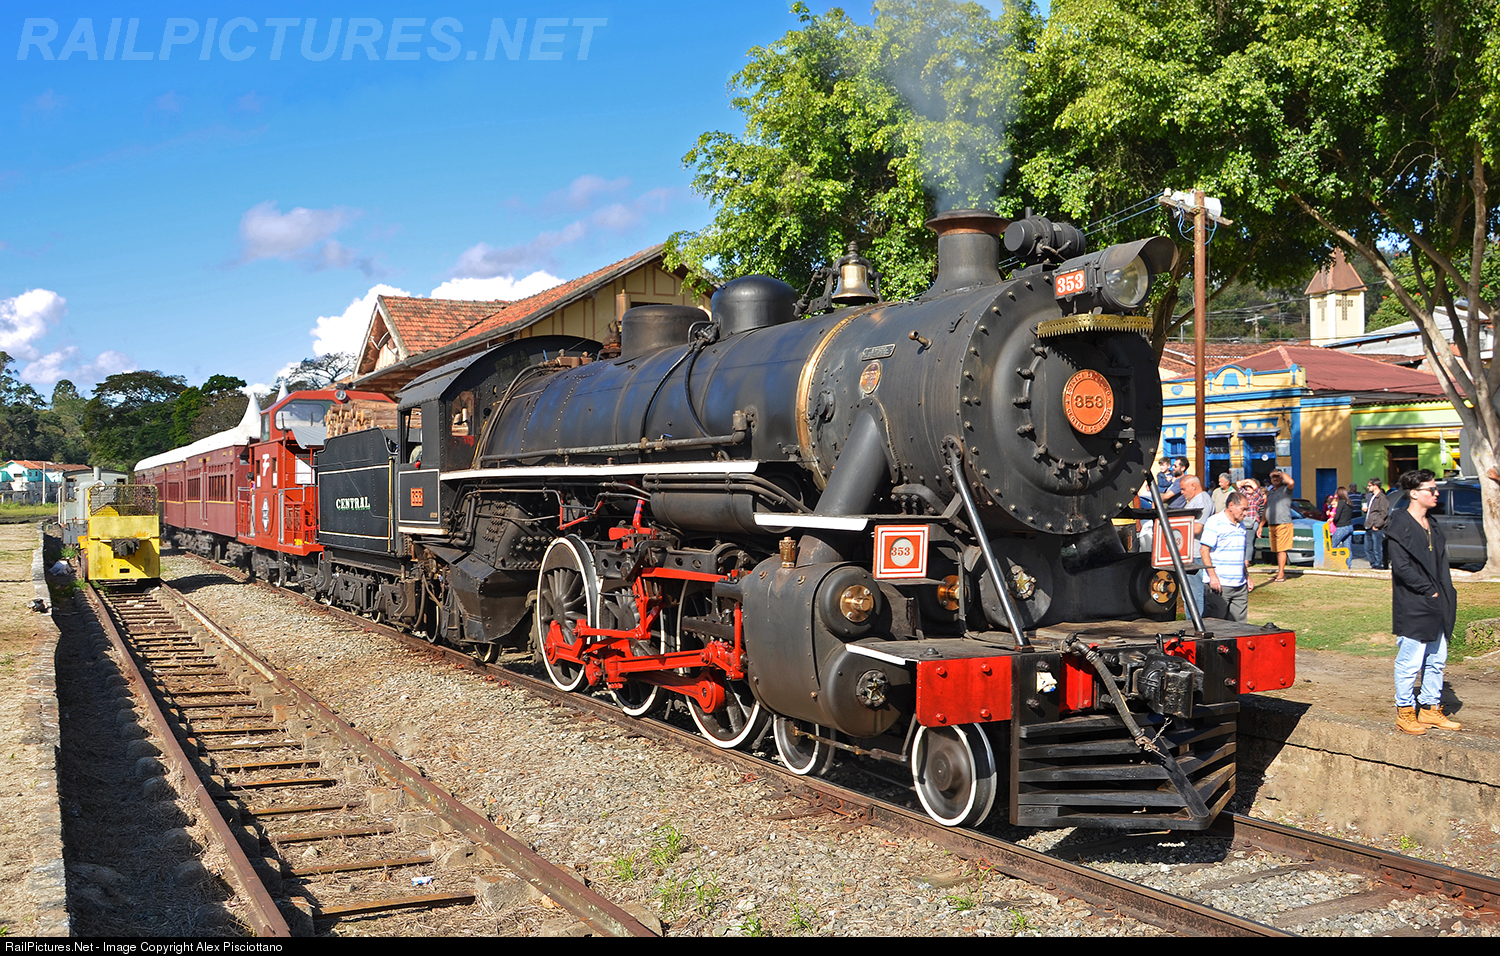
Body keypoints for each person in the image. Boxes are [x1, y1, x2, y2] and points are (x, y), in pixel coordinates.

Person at [1386, 469, 1461, 735]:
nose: (1436, 493)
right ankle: (1405, 712)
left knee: (1437, 658)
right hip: (1414, 602)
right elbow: (1401, 567)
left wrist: (1444, 593)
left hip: (1438, 600)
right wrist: (1428, 590)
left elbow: (1440, 564)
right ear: (1414, 493)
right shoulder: (1399, 524)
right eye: (1431, 489)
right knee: (1410, 660)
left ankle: (1429, 708)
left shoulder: (1433, 524)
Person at [1201, 492, 1254, 621]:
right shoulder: (1214, 522)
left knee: (1240, 626)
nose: (1245, 513)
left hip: (1240, 586)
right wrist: (1213, 577)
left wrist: (1246, 575)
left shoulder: (1241, 525)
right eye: (1243, 509)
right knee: (1215, 625)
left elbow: (1240, 554)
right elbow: (1204, 550)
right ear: (1231, 506)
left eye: (1247, 509)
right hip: (1219, 585)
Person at [1177, 475, 1214, 618]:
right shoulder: (1195, 501)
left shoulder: (1202, 500)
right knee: (1188, 594)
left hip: (1195, 555)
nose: (1181, 492)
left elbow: (1198, 528)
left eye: (1183, 489)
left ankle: (1195, 624)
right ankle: (1192, 622)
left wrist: (1174, 530)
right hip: (1189, 553)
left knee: (1194, 594)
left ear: (1193, 486)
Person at [1265, 469, 1296, 582]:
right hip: (1272, 524)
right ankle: (1279, 572)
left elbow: (1291, 482)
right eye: (1273, 477)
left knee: (1282, 550)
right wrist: (1261, 525)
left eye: (1277, 477)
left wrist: (1280, 473)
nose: (1275, 479)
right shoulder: (1270, 492)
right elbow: (1266, 509)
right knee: (1277, 550)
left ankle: (1281, 574)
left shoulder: (1286, 489)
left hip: (1283, 523)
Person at [1365, 479, 1390, 570]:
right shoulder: (1371, 497)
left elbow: (1384, 513)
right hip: (1368, 525)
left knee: (1377, 548)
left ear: (1375, 486)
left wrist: (1377, 525)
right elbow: (1373, 511)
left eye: (1369, 486)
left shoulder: (1382, 498)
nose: (1368, 487)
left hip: (1376, 526)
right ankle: (1373, 564)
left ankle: (1378, 564)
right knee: (1367, 548)